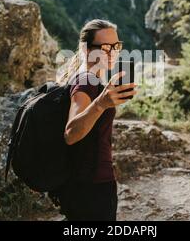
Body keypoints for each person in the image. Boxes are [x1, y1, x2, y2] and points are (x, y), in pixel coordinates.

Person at [53, 19, 137, 221]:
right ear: (85, 48)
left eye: (116, 46)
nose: (112, 52)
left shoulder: (90, 79)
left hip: (83, 182)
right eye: (105, 47)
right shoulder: (85, 82)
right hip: (92, 186)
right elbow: (71, 134)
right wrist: (101, 103)